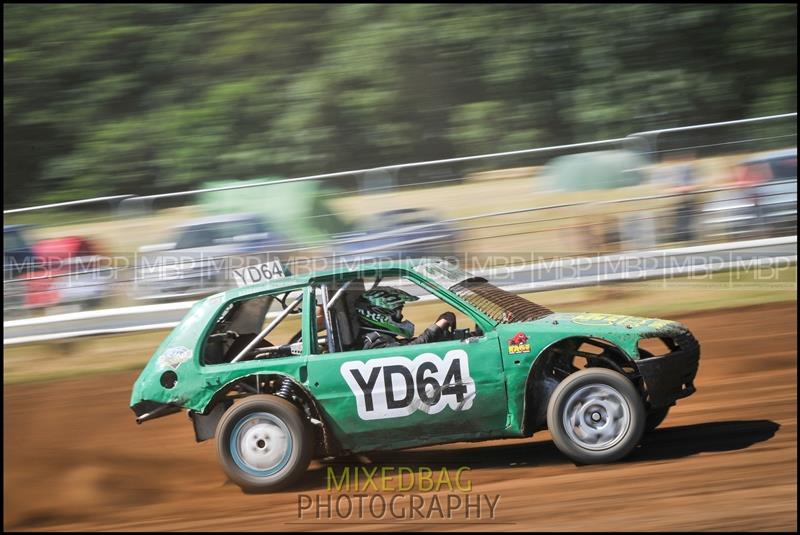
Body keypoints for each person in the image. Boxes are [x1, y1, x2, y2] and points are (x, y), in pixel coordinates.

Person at [353, 286, 456, 350]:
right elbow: (406, 352)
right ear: (377, 313)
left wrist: (439, 334)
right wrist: (436, 327)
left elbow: (404, 345)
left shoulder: (381, 336)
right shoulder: (373, 343)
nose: (400, 316)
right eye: (396, 312)